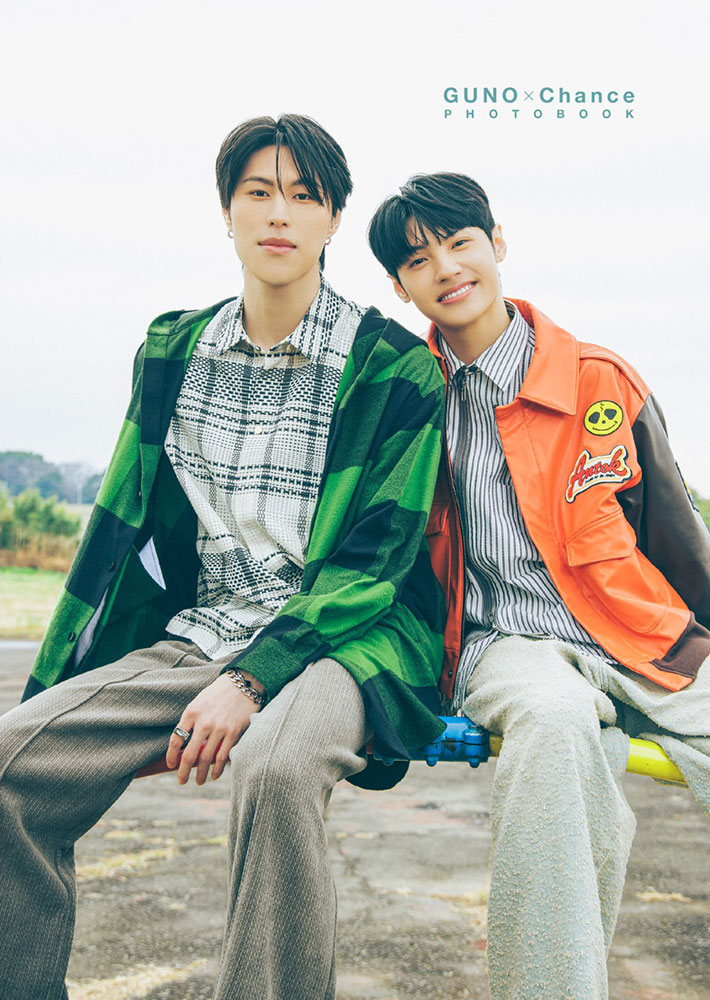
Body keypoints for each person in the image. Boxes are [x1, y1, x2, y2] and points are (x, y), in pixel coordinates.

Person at [0, 115, 449, 1000]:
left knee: (275, 768)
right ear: (227, 211)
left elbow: (374, 563)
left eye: (305, 196)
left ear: (333, 219)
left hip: (346, 639)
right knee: (10, 768)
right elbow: (111, 534)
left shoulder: (394, 368)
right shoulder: (172, 350)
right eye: (259, 192)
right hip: (204, 633)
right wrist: (48, 699)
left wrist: (251, 681)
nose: (280, 214)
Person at [367, 171, 710, 1000]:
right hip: (502, 645)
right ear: (401, 287)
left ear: (496, 244)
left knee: (588, 740)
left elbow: (676, 540)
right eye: (418, 260)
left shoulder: (599, 379)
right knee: (556, 722)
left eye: (460, 243)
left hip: (634, 634)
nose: (447, 269)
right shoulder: (407, 400)